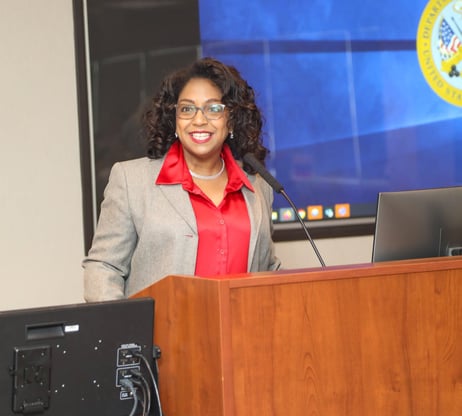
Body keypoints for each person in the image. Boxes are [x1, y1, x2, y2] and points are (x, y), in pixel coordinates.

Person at [83, 57, 282, 302]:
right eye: (187, 108)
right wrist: (129, 333)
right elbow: (104, 267)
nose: (199, 120)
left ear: (231, 119)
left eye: (214, 108)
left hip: (242, 337)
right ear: (174, 120)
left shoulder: (258, 185)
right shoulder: (131, 181)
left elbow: (268, 269)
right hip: (163, 339)